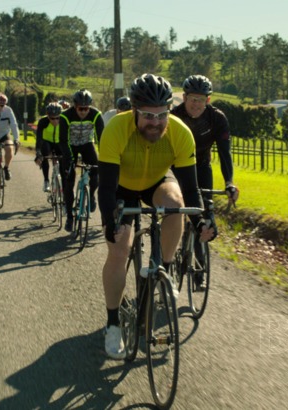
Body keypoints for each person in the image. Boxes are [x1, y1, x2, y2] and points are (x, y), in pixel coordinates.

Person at [98, 74, 216, 359]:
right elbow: (107, 186)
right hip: (122, 187)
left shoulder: (180, 133)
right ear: (134, 111)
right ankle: (112, 324)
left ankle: (164, 270)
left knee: (176, 204)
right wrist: (110, 222)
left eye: (162, 115)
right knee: (119, 250)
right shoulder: (116, 129)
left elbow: (191, 189)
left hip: (157, 182)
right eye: (148, 116)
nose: (156, 122)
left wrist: (201, 220)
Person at [170, 75, 240, 288]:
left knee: (205, 214)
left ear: (208, 100)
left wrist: (229, 182)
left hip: (201, 167)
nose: (196, 104)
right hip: (176, 166)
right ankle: (165, 259)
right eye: (192, 99)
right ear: (184, 98)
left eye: (201, 100)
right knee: (172, 211)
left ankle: (200, 268)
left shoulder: (217, 118)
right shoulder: (174, 116)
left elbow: (225, 154)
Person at [58, 89, 104, 231]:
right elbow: (63, 141)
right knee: (69, 181)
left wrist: (104, 157)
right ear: (75, 106)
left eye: (86, 108)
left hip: (87, 145)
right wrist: (70, 160)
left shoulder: (96, 114)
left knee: (96, 173)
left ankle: (91, 195)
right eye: (80, 109)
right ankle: (70, 217)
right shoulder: (66, 116)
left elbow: (101, 138)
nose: (83, 112)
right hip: (70, 146)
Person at [34, 102, 65, 192]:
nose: (55, 121)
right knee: (44, 153)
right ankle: (46, 181)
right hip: (47, 142)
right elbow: (39, 138)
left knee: (63, 162)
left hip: (59, 143)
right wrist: (38, 152)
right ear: (48, 116)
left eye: (57, 118)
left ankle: (64, 186)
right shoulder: (43, 121)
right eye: (52, 118)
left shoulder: (64, 121)